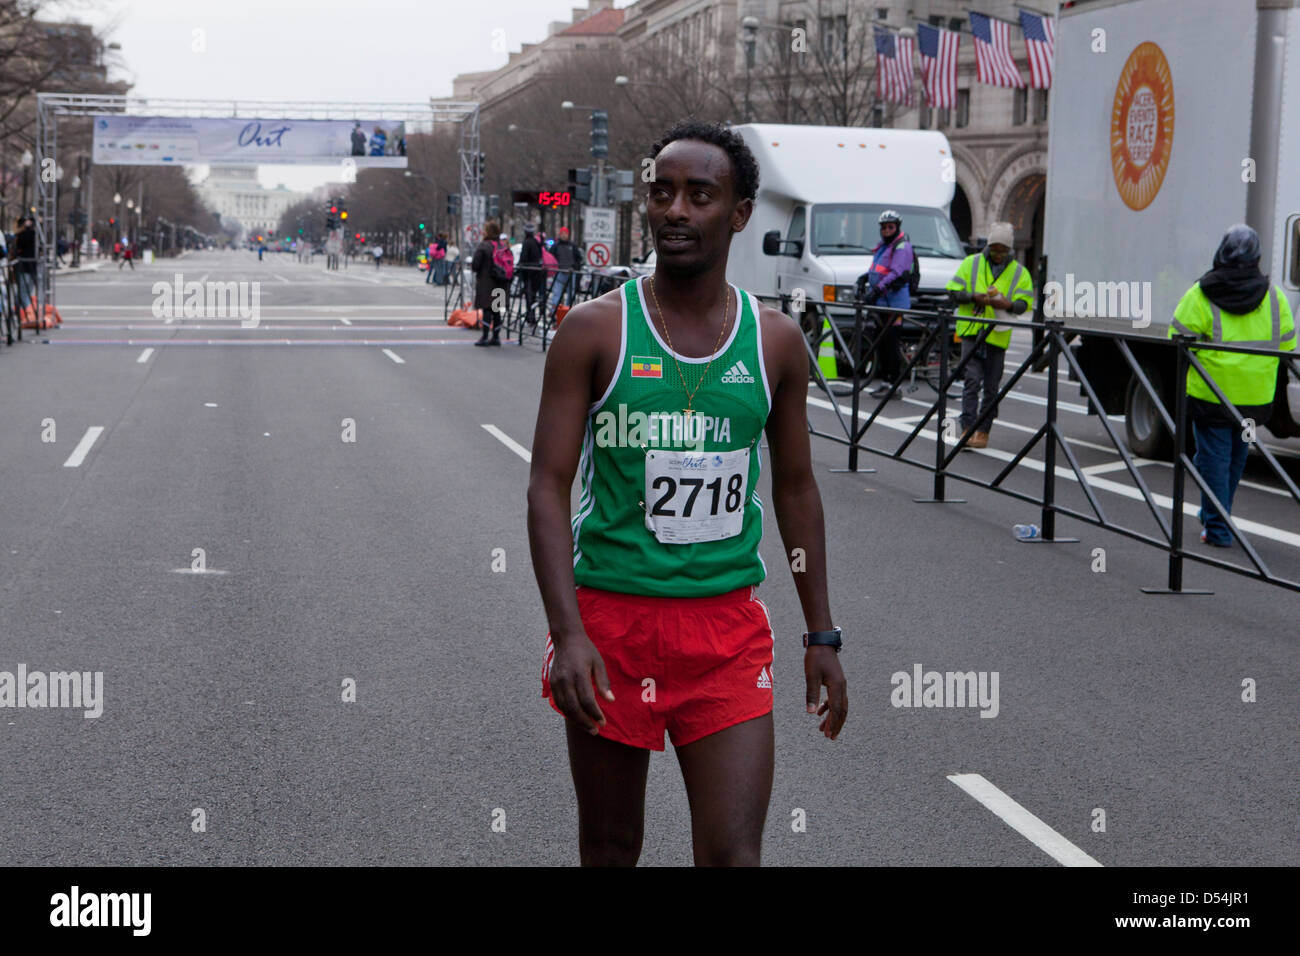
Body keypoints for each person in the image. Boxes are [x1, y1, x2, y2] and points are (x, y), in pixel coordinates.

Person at [528, 120, 848, 867]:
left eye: (699, 195)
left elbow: (797, 491)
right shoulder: (592, 331)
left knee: (734, 855)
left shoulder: (774, 344)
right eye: (662, 193)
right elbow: (548, 483)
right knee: (612, 846)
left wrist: (822, 634)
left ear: (738, 213)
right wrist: (568, 633)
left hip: (725, 636)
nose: (675, 210)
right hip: (612, 627)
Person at [1168, 224, 1296, 547]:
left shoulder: (1201, 293)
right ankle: (1217, 511)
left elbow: (1177, 339)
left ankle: (1217, 529)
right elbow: (1288, 345)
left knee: (1212, 460)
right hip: (1254, 399)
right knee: (1234, 460)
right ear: (1257, 258)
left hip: (1212, 395)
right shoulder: (1276, 297)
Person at [945, 221, 1034, 449]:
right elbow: (953, 291)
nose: (997, 254)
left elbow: (1025, 303)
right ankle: (966, 429)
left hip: (997, 334)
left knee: (992, 387)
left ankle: (983, 431)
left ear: (1010, 251)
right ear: (988, 246)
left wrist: (1008, 304)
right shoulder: (971, 263)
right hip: (972, 331)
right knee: (971, 381)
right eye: (994, 249)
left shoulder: (1019, 272)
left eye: (1002, 250)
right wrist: (973, 297)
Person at [855, 210, 914, 399]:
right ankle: (885, 382)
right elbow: (877, 268)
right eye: (884, 227)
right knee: (881, 342)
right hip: (883, 302)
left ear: (897, 227)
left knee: (891, 343)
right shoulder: (884, 246)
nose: (887, 230)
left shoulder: (902, 246)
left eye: (891, 227)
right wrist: (864, 278)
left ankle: (893, 385)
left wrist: (877, 290)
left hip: (893, 302)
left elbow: (895, 273)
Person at [471, 222, 509, 347]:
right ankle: (496, 337)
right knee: (497, 310)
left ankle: (485, 337)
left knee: (487, 310)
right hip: (501, 283)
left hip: (486, 282)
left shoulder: (484, 246)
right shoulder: (502, 246)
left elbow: (475, 265)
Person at [547, 226, 580, 317]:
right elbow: (550, 257)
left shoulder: (572, 246)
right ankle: (555, 311)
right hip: (559, 272)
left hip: (570, 272)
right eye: (562, 234)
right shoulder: (556, 246)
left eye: (565, 234)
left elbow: (578, 258)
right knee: (557, 293)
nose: (564, 235)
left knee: (571, 293)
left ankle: (568, 311)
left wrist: (575, 267)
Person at [518, 223, 544, 329]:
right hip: (536, 273)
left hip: (529, 273)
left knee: (530, 296)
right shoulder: (536, 243)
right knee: (533, 296)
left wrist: (520, 268)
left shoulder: (527, 243)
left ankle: (530, 317)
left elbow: (523, 258)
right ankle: (531, 316)